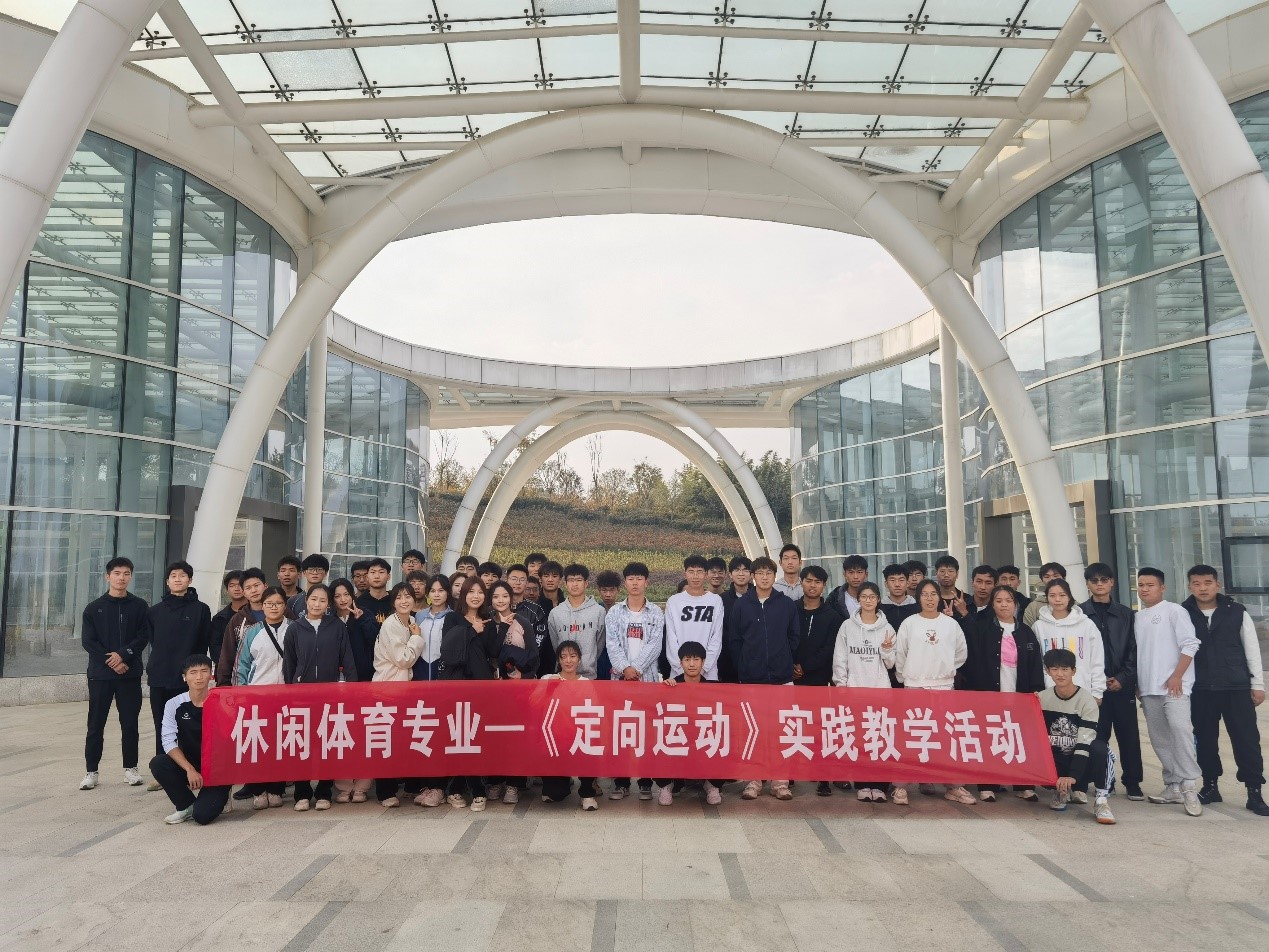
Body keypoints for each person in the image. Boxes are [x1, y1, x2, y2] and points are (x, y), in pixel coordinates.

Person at [1182, 564, 1268, 815]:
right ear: (1190, 586)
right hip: (1201, 688)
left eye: (1207, 582)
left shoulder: (1236, 611)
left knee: (1247, 740)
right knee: (1205, 740)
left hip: (1236, 687)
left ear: (1217, 584)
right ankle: (1210, 786)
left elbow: (1251, 649)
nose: (1202, 588)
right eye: (1197, 583)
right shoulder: (1182, 612)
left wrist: (1258, 684)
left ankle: (1254, 792)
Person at [890, 579, 972, 806]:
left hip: (944, 687)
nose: (929, 598)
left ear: (939, 596)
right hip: (915, 686)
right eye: (924, 594)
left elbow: (960, 653)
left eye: (933, 593)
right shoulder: (909, 623)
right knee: (910, 738)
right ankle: (901, 786)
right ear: (918, 598)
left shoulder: (950, 624)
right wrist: (906, 678)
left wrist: (945, 670)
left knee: (945, 738)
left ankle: (953, 786)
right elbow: (900, 654)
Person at [961, 585, 1044, 802]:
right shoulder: (984, 629)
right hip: (990, 695)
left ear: (1016, 604)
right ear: (992, 605)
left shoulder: (1025, 632)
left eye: (1008, 601)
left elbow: (1035, 663)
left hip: (1020, 695)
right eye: (998, 601)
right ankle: (987, 785)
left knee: (1020, 739)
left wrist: (1036, 689)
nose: (1004, 605)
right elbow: (972, 660)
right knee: (990, 738)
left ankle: (1023, 784)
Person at [729, 556, 800, 801]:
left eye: (769, 572)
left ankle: (780, 782)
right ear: (753, 576)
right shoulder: (742, 605)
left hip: (782, 678)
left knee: (781, 730)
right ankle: (753, 780)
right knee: (753, 731)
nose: (764, 577)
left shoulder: (786, 604)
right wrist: (746, 665)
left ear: (774, 575)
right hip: (752, 679)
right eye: (759, 573)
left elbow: (794, 637)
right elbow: (735, 640)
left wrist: (783, 660)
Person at [1135, 567, 1203, 816]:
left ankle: (1189, 786)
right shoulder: (1137, 617)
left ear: (1162, 587)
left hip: (1175, 687)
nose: (1144, 589)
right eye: (1141, 585)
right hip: (1148, 688)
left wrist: (1177, 676)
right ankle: (1173, 786)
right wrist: (1138, 685)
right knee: (1160, 738)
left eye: (1150, 585)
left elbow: (1191, 644)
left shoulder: (1174, 611)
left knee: (1180, 730)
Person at [80, 556, 152, 791]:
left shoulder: (140, 606)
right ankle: (91, 771)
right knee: (95, 724)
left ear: (131, 577)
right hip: (100, 675)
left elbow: (143, 636)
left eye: (126, 574)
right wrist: (112, 661)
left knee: (130, 724)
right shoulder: (94, 608)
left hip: (129, 674)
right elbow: (88, 641)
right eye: (117, 573)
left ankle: (131, 769)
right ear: (107, 576)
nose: (122, 578)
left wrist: (123, 655)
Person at [284, 584, 357, 812]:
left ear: (328, 604)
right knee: (302, 744)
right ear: (306, 600)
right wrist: (290, 692)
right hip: (301, 695)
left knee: (327, 744)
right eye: (314, 599)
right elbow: (289, 664)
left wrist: (352, 690)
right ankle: (302, 793)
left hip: (330, 695)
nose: (317, 604)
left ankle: (324, 792)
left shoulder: (336, 626)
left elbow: (347, 659)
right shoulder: (295, 628)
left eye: (323, 600)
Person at [144, 561, 212, 792]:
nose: (178, 579)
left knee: (190, 724)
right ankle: (163, 772)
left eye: (182, 576)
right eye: (173, 575)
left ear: (190, 580)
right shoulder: (154, 611)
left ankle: (192, 768)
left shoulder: (201, 609)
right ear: (167, 581)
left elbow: (202, 642)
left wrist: (196, 673)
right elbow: (154, 641)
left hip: (188, 678)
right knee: (161, 724)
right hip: (160, 676)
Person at [1081, 562, 1143, 800]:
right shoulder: (1080, 613)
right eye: (1094, 580)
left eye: (1104, 580)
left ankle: (1133, 782)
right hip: (1093, 688)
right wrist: (1096, 680)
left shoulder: (1127, 614)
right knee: (1097, 737)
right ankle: (1103, 779)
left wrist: (1123, 678)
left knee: (1129, 736)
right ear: (1087, 584)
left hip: (1121, 686)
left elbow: (1134, 650)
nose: (1099, 584)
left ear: (1112, 583)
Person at [605, 562, 666, 801]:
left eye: (639, 578)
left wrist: (636, 669)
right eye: (631, 578)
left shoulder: (655, 612)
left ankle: (645, 782)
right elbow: (612, 643)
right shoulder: (614, 612)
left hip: (646, 680)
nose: (635, 582)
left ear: (646, 582)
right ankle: (621, 782)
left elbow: (655, 644)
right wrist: (625, 668)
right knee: (621, 730)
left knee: (646, 731)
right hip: (620, 680)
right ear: (625, 583)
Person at [831, 581, 896, 802]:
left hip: (880, 691)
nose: (868, 600)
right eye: (864, 597)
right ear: (858, 599)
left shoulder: (887, 628)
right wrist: (841, 685)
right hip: (855, 691)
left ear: (878, 600)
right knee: (859, 739)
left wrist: (886, 650)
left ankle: (880, 785)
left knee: (880, 738)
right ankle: (862, 784)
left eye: (872, 597)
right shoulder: (847, 627)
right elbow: (840, 658)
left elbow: (891, 663)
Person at [148, 656, 232, 825]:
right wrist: (189, 769)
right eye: (193, 672)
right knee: (159, 763)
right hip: (191, 762)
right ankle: (185, 805)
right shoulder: (174, 704)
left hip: (218, 769)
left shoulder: (223, 701)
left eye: (204, 671)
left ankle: (218, 795)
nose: (199, 677)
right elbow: (168, 741)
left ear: (211, 675)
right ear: (184, 677)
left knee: (202, 816)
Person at [440, 577, 501, 810]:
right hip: (457, 685)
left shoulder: (487, 619)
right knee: (460, 736)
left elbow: (493, 650)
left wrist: (501, 626)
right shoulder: (452, 618)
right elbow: (448, 650)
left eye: (480, 592)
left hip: (480, 686)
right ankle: (477, 790)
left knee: (476, 736)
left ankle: (456, 788)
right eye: (471, 591)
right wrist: (470, 630)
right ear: (463, 594)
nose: (476, 596)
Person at [1038, 648, 1116, 824]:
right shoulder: (1042, 699)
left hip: (1081, 761)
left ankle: (1101, 800)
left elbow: (1084, 741)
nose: (1060, 674)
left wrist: (1073, 775)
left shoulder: (1086, 700)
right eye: (1054, 669)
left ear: (1074, 671)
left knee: (1100, 748)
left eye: (1065, 669)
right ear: (1047, 671)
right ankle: (1061, 791)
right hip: (1057, 761)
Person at [371, 582, 426, 808]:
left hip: (404, 689)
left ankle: (409, 786)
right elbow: (403, 659)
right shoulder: (391, 625)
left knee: (405, 739)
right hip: (388, 689)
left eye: (408, 596)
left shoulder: (411, 621)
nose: (404, 601)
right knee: (387, 740)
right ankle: (385, 791)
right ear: (393, 602)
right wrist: (417, 638)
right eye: (399, 597)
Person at [655, 641, 727, 806]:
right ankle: (666, 785)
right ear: (680, 663)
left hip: (702, 735)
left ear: (703, 662)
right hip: (678, 736)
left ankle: (712, 784)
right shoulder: (672, 685)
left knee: (722, 740)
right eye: (687, 660)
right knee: (659, 739)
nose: (692, 664)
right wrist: (664, 689)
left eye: (696, 659)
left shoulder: (714, 688)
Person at [237, 587, 291, 809]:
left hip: (286, 697)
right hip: (257, 696)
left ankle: (277, 789)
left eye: (278, 603)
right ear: (263, 606)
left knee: (281, 743)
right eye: (269, 603)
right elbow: (242, 665)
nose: (273, 607)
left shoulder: (294, 628)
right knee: (258, 744)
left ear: (285, 605)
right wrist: (241, 694)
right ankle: (259, 790)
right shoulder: (252, 632)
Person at [1033, 579, 1106, 730]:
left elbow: (1097, 660)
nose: (1057, 599)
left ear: (1069, 597)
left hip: (1082, 692)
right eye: (1052, 595)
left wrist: (1097, 692)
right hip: (1050, 695)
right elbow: (1036, 662)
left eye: (1062, 595)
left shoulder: (1086, 625)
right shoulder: (1039, 627)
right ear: (1047, 598)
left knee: (1083, 735)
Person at [329, 577, 375, 804]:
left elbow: (375, 641)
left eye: (346, 594)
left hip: (363, 682)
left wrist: (362, 620)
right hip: (336, 685)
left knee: (364, 734)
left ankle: (363, 786)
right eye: (337, 596)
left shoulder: (364, 614)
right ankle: (344, 786)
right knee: (340, 733)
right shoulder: (328, 620)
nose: (342, 599)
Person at [541, 641, 600, 810]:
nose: (568, 661)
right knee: (556, 794)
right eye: (564, 657)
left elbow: (594, 712)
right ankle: (561, 781)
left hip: (579, 735)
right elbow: (534, 704)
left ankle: (587, 792)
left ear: (579, 659)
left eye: (573, 656)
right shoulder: (547, 679)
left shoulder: (586, 682)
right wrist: (549, 688)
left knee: (592, 743)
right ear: (558, 660)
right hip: (555, 737)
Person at [665, 556, 724, 682]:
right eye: (691, 572)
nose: (695, 576)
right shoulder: (674, 601)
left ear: (706, 574)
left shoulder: (715, 601)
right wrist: (682, 668)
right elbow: (671, 639)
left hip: (708, 672)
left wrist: (703, 667)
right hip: (679, 671)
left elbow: (716, 638)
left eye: (699, 572)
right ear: (685, 574)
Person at [549, 563, 607, 680]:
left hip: (589, 676)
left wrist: (588, 660)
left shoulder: (599, 612)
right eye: (571, 580)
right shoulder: (556, 613)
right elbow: (556, 644)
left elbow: (599, 645)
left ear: (586, 583)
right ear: (565, 584)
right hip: (563, 676)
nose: (574, 584)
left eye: (579, 580)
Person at [793, 565, 845, 693]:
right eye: (808, 581)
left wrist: (805, 667)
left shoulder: (832, 616)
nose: (813, 585)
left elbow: (829, 648)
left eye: (817, 582)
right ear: (801, 582)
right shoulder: (790, 610)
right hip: (790, 676)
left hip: (819, 679)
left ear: (824, 585)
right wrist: (791, 665)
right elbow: (783, 640)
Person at [217, 567, 266, 686]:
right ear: (244, 592)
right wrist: (224, 684)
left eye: (256, 585)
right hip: (245, 683)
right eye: (248, 588)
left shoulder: (283, 614)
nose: (253, 590)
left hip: (279, 683)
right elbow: (227, 654)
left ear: (265, 586)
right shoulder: (237, 619)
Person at [718, 556, 753, 684]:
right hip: (728, 662)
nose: (741, 574)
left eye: (745, 570)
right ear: (730, 575)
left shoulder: (758, 598)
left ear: (751, 575)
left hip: (755, 660)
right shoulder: (721, 600)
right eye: (737, 570)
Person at [209, 570, 245, 672]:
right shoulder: (219, 618)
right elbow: (215, 647)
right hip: (227, 671)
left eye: (240, 585)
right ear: (227, 590)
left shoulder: (256, 614)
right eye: (232, 585)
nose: (236, 589)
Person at [357, 557, 394, 638]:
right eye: (373, 572)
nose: (377, 576)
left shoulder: (395, 601)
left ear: (388, 577)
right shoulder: (359, 603)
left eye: (381, 572)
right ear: (367, 577)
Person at [1024, 563, 1067, 628]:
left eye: (1056, 576)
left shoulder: (1075, 606)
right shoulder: (1033, 607)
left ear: (1064, 578)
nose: (1051, 579)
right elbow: (1027, 631)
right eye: (1047, 577)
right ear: (1042, 580)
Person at [827, 554, 869, 619]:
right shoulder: (834, 599)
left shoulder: (874, 596)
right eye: (851, 572)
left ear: (866, 574)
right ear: (844, 574)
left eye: (859, 572)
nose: (855, 577)